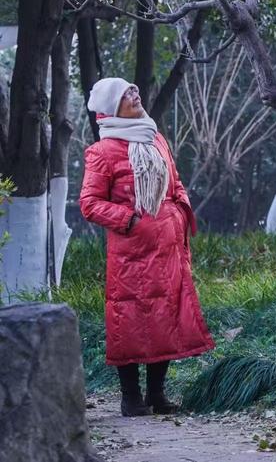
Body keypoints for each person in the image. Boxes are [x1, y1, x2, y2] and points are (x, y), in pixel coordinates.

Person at [79, 77, 214, 416]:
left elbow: (175, 180)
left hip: (168, 246)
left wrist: (179, 210)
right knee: (129, 318)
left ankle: (156, 394)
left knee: (165, 315)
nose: (135, 94)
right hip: (131, 252)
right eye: (126, 93)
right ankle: (130, 398)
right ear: (112, 108)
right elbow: (90, 202)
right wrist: (131, 222)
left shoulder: (155, 138)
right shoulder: (103, 152)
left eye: (134, 89)